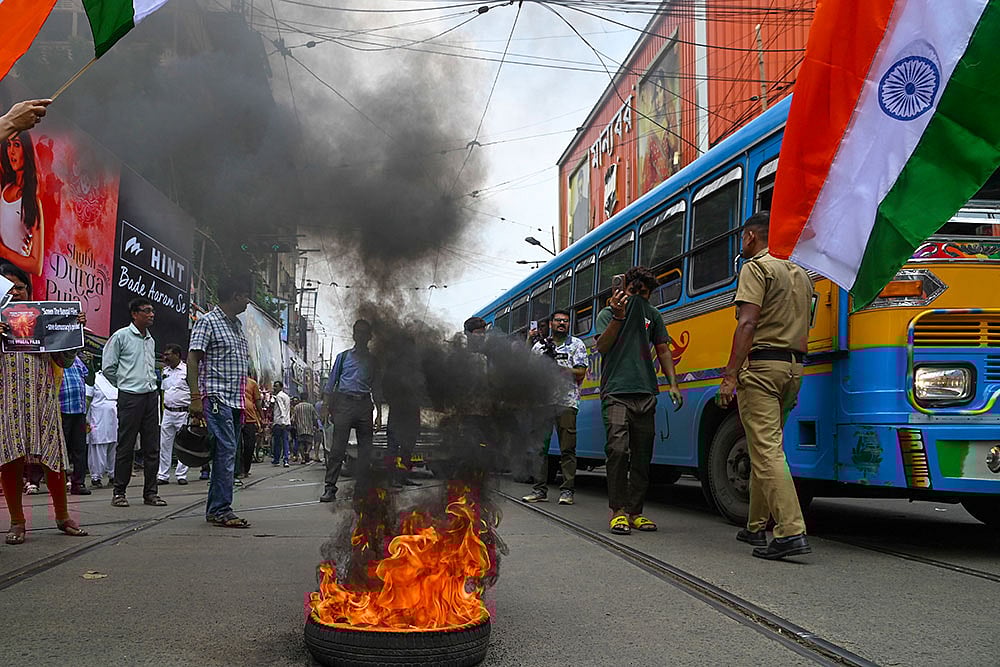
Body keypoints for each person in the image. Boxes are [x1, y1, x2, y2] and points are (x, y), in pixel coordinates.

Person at [717, 211, 812, 560]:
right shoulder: (801, 273)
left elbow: (747, 323)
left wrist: (730, 374)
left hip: (762, 369)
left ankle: (790, 531)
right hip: (793, 369)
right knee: (765, 447)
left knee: (767, 450)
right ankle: (755, 525)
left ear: (749, 238)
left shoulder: (755, 267)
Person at [0, 262, 88, 543]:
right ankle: (17, 522)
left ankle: (63, 516)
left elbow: (64, 360)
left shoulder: (43, 319)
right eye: (8, 287)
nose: (15, 291)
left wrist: (73, 334)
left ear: (29, 290)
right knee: (10, 457)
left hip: (43, 396)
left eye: (20, 286)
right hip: (7, 400)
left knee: (54, 457)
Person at [595, 265, 682, 536]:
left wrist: (673, 384)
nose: (638, 297)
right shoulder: (607, 313)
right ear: (624, 288)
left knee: (643, 456)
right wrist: (618, 317)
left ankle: (636, 513)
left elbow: (663, 349)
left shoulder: (653, 315)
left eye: (644, 293)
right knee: (618, 451)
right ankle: (618, 512)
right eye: (633, 291)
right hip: (616, 392)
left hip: (646, 392)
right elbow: (602, 347)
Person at [187, 275, 252, 528]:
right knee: (225, 452)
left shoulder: (237, 326)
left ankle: (216, 509)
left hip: (235, 401)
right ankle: (222, 509)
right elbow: (193, 360)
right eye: (246, 296)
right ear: (236, 295)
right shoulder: (208, 322)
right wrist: (195, 398)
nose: (248, 301)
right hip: (216, 397)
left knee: (226, 453)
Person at [521, 310, 588, 505]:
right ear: (551, 323)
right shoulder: (540, 346)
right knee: (540, 449)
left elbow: (581, 372)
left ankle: (567, 491)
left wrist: (560, 369)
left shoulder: (577, 345)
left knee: (568, 449)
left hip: (567, 402)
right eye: (558, 320)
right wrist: (529, 341)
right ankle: (539, 490)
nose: (562, 324)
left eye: (565, 321)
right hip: (542, 403)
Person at [102, 297, 164, 508]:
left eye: (152, 311)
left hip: (150, 396)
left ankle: (151, 493)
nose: (151, 314)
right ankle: (119, 492)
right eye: (147, 311)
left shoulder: (151, 339)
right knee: (126, 446)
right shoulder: (121, 336)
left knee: (152, 447)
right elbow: (108, 367)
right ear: (135, 314)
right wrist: (125, 384)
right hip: (130, 397)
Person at [320, 319, 381, 503]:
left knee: (365, 451)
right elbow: (331, 383)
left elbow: (376, 388)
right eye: (357, 332)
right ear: (354, 335)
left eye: (364, 333)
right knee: (338, 449)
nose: (360, 336)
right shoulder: (343, 357)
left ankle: (361, 490)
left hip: (364, 405)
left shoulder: (373, 361)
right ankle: (330, 488)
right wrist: (325, 406)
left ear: (369, 337)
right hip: (344, 404)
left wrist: (378, 413)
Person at [1, 130, 44, 274]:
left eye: (17, 145)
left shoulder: (32, 201)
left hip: (17, 279)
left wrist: (3, 252)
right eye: (9, 145)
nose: (11, 151)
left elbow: (36, 266)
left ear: (26, 151)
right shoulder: (5, 185)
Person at [157, 343, 191, 485]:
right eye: (165, 355)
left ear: (177, 355)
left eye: (168, 354)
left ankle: (181, 474)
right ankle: (163, 475)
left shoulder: (187, 370)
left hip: (183, 412)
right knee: (165, 444)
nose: (165, 357)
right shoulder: (165, 371)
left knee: (183, 444)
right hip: (168, 412)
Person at [60, 354, 91, 495]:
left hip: (79, 409)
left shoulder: (77, 359)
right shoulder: (56, 357)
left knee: (80, 449)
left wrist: (88, 362)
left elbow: (90, 379)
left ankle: (78, 483)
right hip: (62, 410)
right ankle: (59, 483)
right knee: (61, 449)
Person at [87, 369, 118, 488]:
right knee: (98, 448)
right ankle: (96, 477)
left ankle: (114, 475)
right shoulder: (95, 379)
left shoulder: (119, 377)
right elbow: (87, 398)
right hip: (98, 418)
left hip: (115, 417)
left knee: (115, 447)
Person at [237, 375, 262, 478]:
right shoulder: (233, 381)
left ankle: (246, 468)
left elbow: (257, 401)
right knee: (237, 446)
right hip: (236, 417)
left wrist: (261, 416)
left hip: (250, 419)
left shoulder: (252, 383)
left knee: (249, 445)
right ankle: (239, 470)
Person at [292, 392, 321, 464]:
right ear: (307, 398)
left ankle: (303, 459)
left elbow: (292, 419)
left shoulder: (297, 407)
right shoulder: (311, 406)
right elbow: (315, 418)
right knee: (309, 443)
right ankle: (307, 452)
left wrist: (295, 425)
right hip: (309, 428)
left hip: (300, 428)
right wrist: (316, 426)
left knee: (300, 443)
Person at [270, 381, 292, 467]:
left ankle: (276, 460)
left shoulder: (279, 396)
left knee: (277, 442)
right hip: (286, 422)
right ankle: (286, 459)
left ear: (281, 387)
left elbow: (282, 409)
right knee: (285, 441)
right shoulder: (286, 396)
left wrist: (282, 421)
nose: (274, 388)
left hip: (279, 422)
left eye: (276, 386)